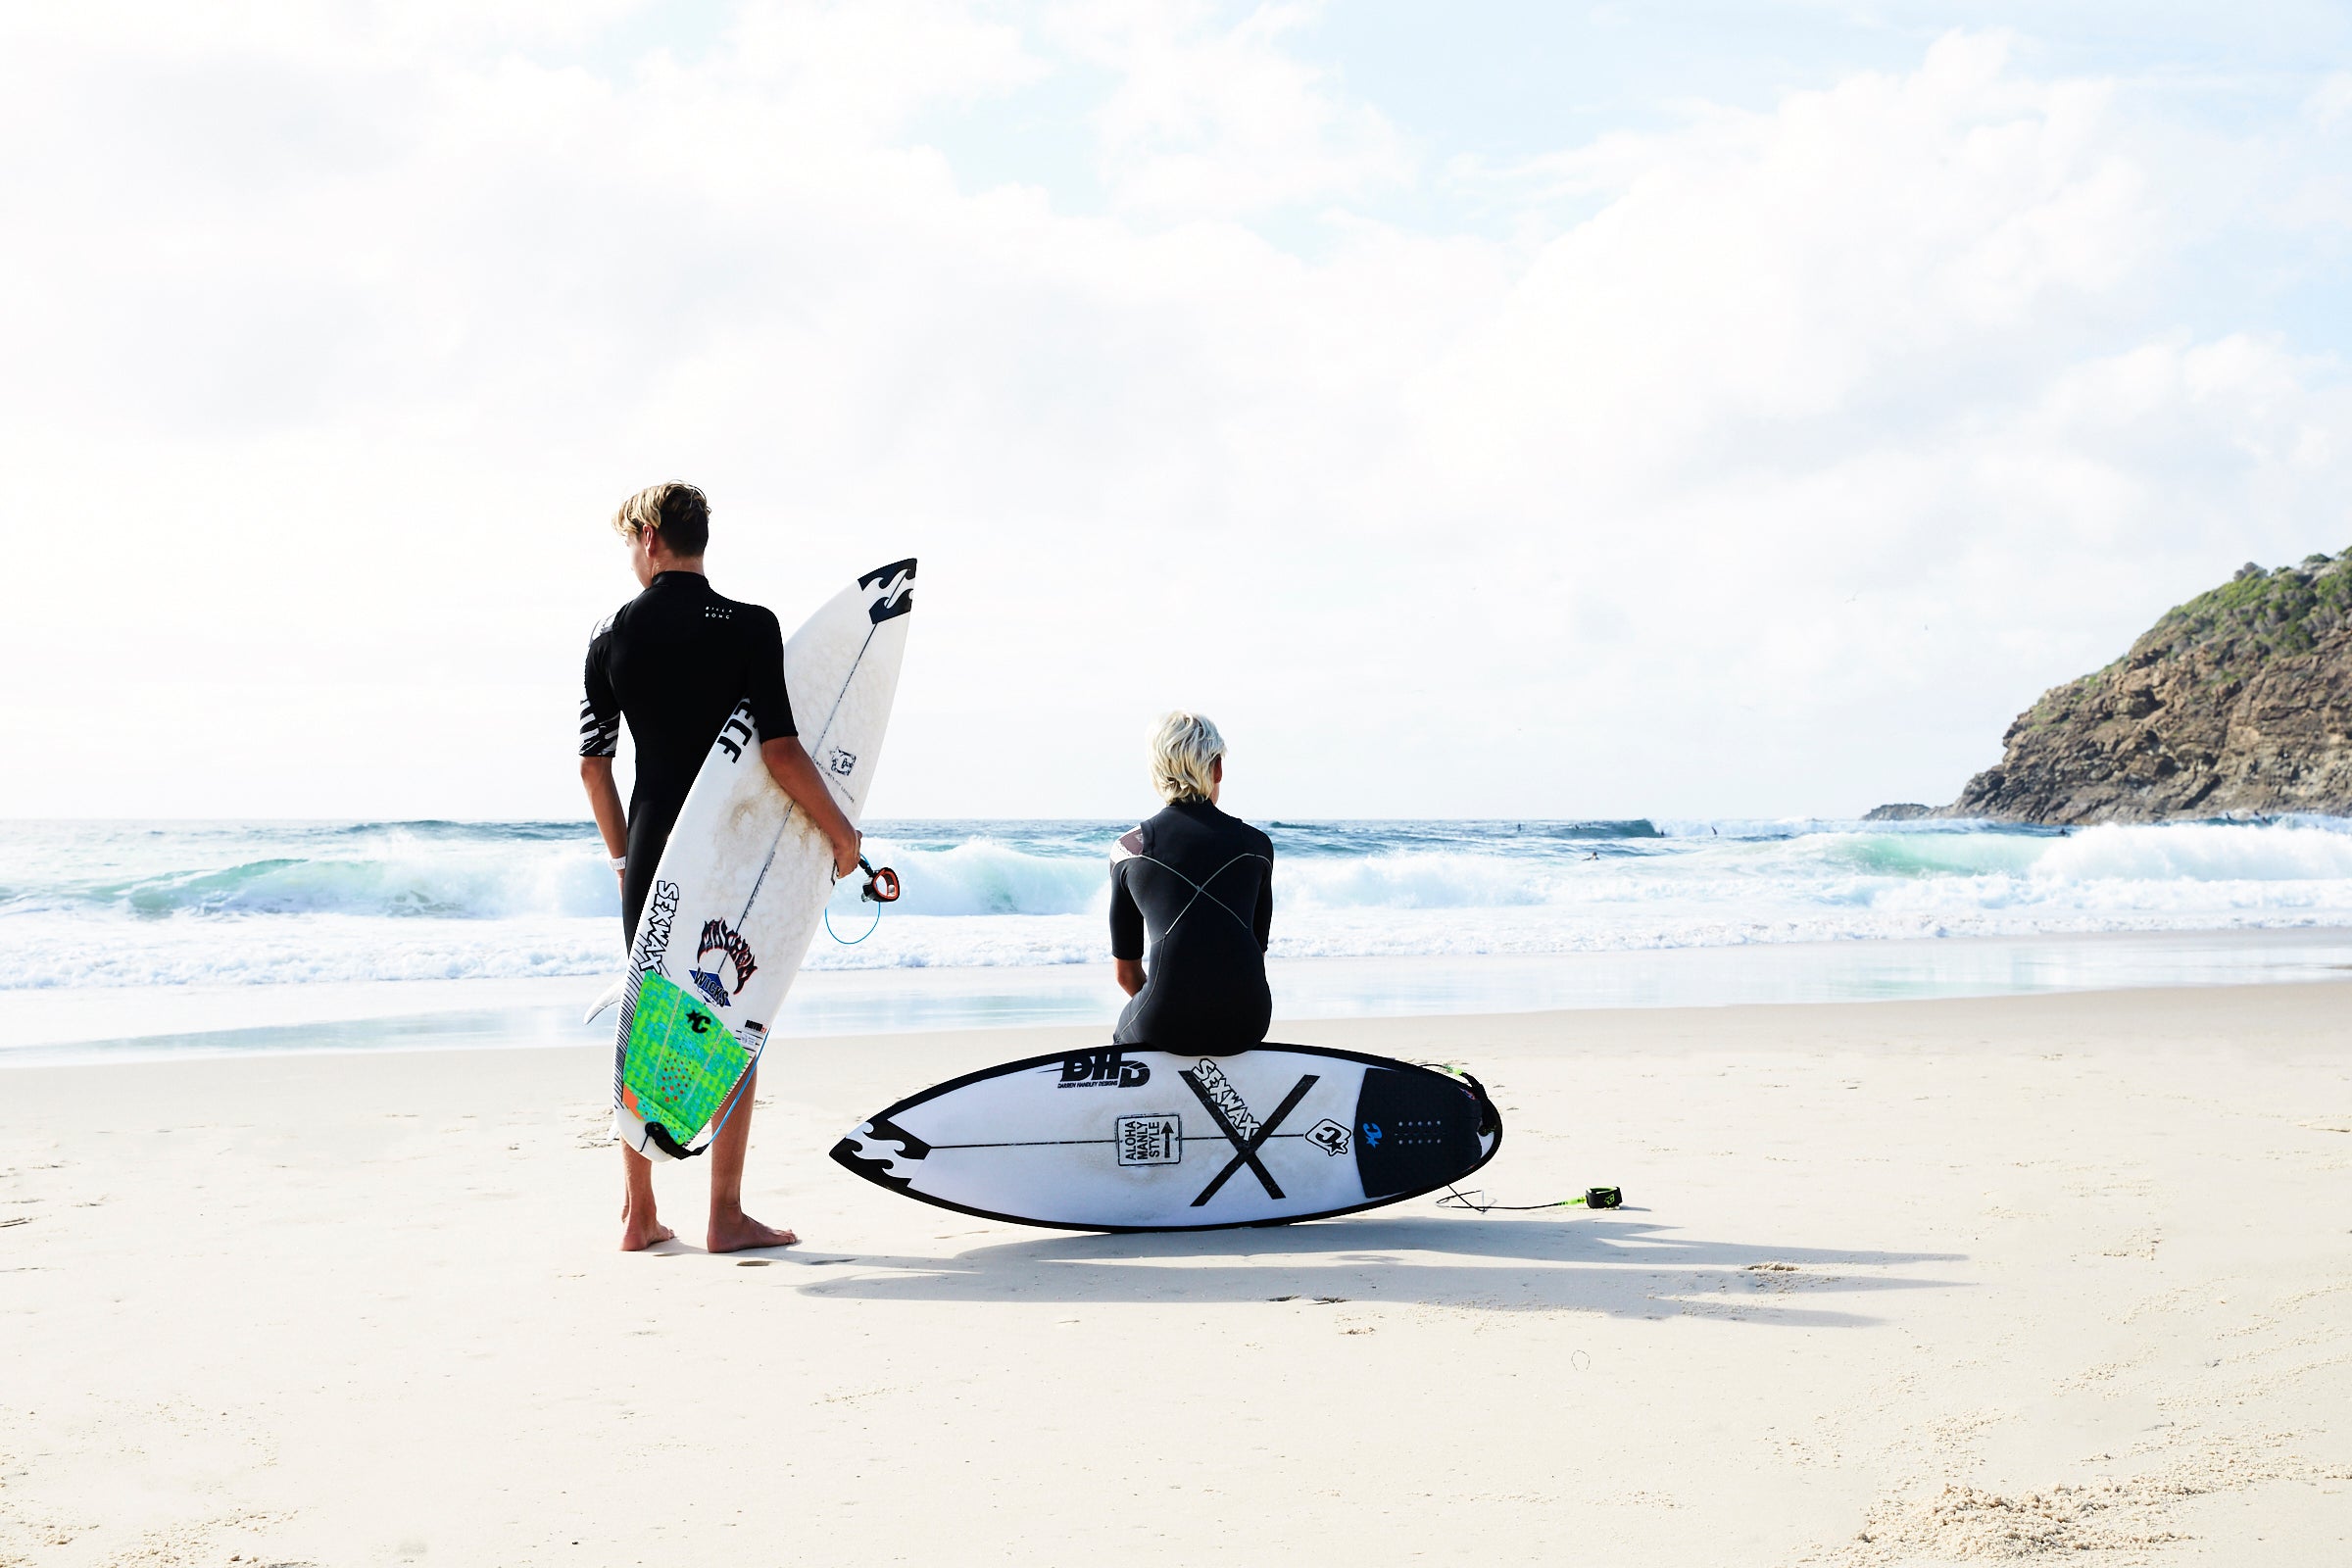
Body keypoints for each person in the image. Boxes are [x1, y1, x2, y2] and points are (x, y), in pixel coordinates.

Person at [578, 481, 861, 1253]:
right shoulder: (750, 627)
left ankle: (639, 1213)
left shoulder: (611, 636)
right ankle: (725, 1214)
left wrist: (621, 856)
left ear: (647, 538)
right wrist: (839, 832)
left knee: (648, 1018)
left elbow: (594, 766)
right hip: (731, 857)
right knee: (735, 1017)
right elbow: (778, 752)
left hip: (653, 855)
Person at [1108, 711, 1274, 1054]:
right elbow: (1249, 953)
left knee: (1124, 1036)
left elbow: (1126, 975)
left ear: (1156, 771)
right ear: (1217, 769)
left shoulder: (1129, 849)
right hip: (1249, 1021)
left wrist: (1170, 1007)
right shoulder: (1258, 846)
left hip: (1164, 1022)